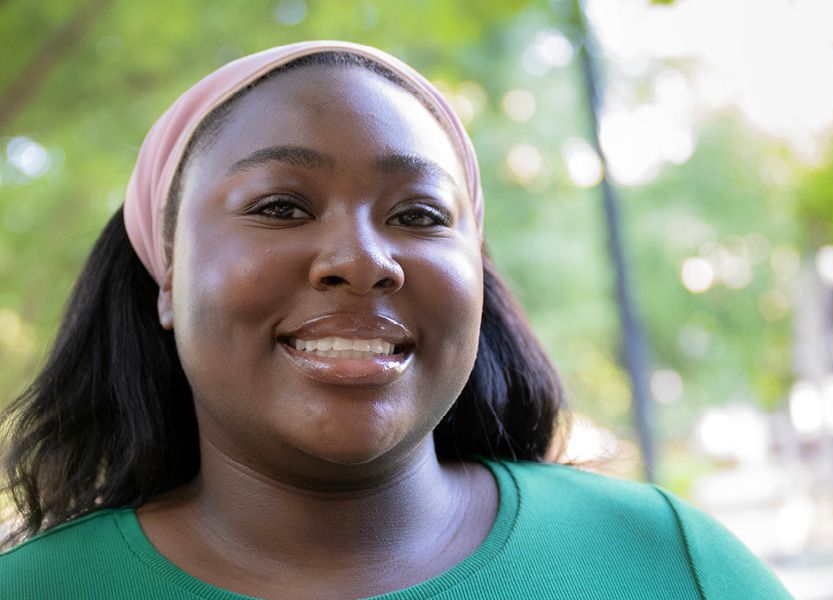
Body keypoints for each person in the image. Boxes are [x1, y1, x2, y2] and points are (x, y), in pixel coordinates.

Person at [0, 41, 793, 599]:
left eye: (418, 214)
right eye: (280, 206)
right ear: (167, 278)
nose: (363, 258)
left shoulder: (667, 563)